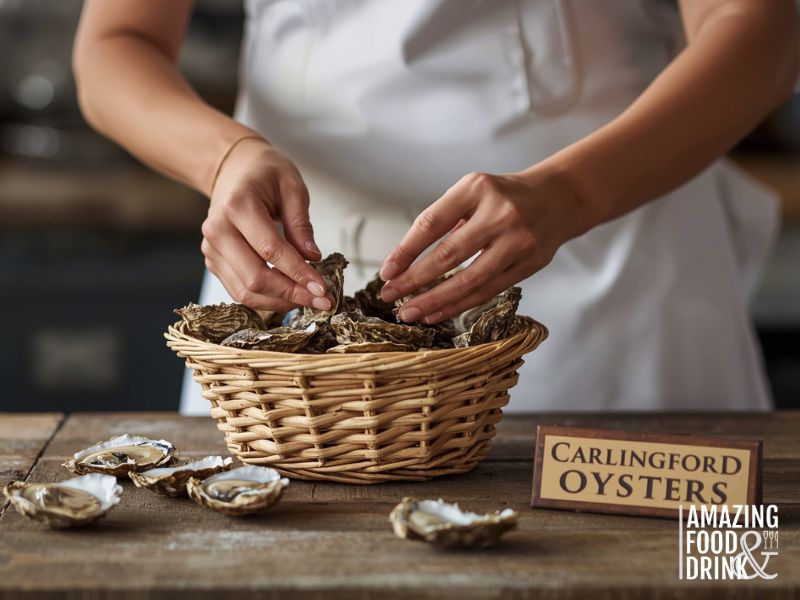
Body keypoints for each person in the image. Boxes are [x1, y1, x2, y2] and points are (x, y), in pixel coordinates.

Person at [73, 0, 798, 415]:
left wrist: (574, 192)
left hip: (613, 268)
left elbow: (759, 26)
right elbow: (116, 42)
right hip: (289, 291)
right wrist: (224, 156)